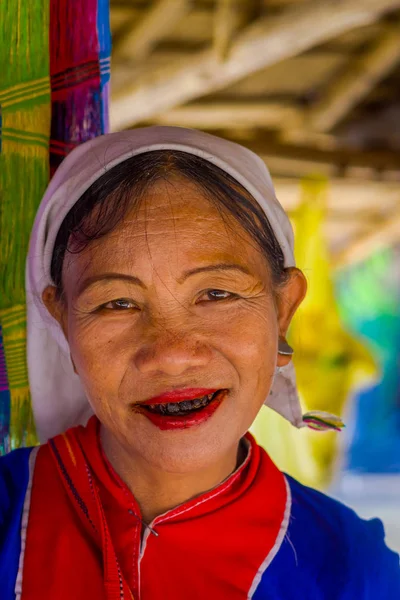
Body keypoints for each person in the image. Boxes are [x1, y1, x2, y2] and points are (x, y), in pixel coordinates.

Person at [0, 127, 398, 600]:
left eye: (217, 294)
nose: (170, 354)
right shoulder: (8, 518)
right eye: (118, 304)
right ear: (62, 320)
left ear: (284, 309)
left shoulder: (350, 572)